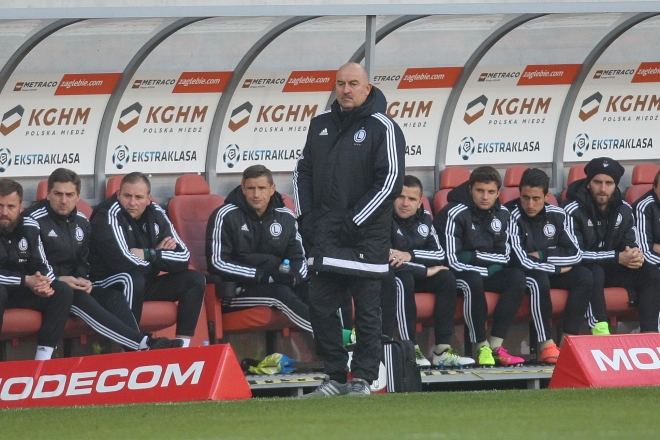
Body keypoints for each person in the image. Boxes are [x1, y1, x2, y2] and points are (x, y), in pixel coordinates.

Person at [294, 62, 405, 396]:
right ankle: (336, 377)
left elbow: (389, 182)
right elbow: (303, 173)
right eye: (341, 83)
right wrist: (307, 219)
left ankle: (364, 379)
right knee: (320, 306)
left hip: (365, 239)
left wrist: (354, 221)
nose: (346, 90)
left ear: (366, 88)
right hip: (327, 237)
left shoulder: (383, 127)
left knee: (368, 313)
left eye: (353, 83)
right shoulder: (320, 125)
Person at [24, 168, 182, 351]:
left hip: (76, 285)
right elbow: (36, 262)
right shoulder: (32, 219)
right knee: (78, 296)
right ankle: (142, 344)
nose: (64, 200)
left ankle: (140, 346)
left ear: (78, 196)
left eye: (69, 194)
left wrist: (85, 279)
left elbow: (85, 260)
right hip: (49, 288)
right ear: (48, 194)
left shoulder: (82, 221)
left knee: (113, 297)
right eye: (58, 194)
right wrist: (59, 279)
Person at [88, 172, 205, 347]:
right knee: (132, 278)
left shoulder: (155, 211)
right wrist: (159, 259)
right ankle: (136, 349)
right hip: (107, 284)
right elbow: (123, 263)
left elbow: (183, 258)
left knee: (194, 279)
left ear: (149, 198)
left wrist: (150, 254)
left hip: (142, 280)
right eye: (127, 196)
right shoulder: (107, 214)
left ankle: (183, 347)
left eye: (139, 197)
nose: (132, 203)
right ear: (119, 194)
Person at [434, 166, 526, 367]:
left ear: (498, 193)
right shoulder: (454, 212)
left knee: (518, 278)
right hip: (457, 274)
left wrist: (474, 257)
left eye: (491, 192)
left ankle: (496, 346)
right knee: (473, 279)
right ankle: (481, 345)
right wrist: (486, 265)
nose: (485, 197)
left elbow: (506, 255)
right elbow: (452, 259)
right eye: (480, 191)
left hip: (485, 271)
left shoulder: (503, 213)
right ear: (470, 189)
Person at [381, 175, 474, 368]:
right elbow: (389, 260)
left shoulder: (424, 218)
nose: (405, 203)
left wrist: (411, 255)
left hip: (413, 269)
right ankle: (410, 348)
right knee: (402, 278)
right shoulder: (382, 217)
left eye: (412, 199)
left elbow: (439, 254)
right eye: (401, 197)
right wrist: (424, 271)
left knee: (447, 277)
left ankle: (442, 351)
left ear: (420, 201)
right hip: (389, 277)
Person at [205, 164, 312, 333]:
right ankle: (331, 340)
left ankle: (345, 339)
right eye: (251, 188)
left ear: (272, 189)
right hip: (238, 290)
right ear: (243, 188)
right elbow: (217, 263)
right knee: (279, 293)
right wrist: (263, 276)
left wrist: (295, 277)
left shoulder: (285, 216)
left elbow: (299, 257)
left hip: (277, 282)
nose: (256, 194)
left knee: (319, 291)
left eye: (262, 188)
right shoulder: (225, 215)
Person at [564, 157, 660, 334]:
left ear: (615, 185)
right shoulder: (572, 209)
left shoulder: (623, 209)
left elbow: (629, 244)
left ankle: (650, 334)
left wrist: (634, 256)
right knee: (594, 271)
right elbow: (575, 255)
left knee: (651, 272)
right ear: (588, 183)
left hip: (614, 267)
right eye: (597, 182)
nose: (602, 188)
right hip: (583, 269)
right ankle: (600, 328)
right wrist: (617, 257)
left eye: (609, 183)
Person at [506, 168, 593, 363]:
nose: (530, 204)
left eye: (536, 198)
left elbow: (576, 253)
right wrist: (555, 267)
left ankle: (569, 342)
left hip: (546, 267)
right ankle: (546, 345)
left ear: (546, 196)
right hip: (523, 272)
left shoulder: (557, 214)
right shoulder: (509, 214)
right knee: (539, 280)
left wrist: (544, 254)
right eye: (525, 197)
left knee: (584, 275)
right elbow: (520, 260)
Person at [0, 179, 73, 360]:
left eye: (10, 206)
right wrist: (26, 280)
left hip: (22, 291)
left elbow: (42, 263)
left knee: (62, 290)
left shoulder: (29, 225)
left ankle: (43, 360)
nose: (4, 212)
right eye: (0, 206)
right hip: (4, 289)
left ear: (20, 207)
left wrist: (44, 283)